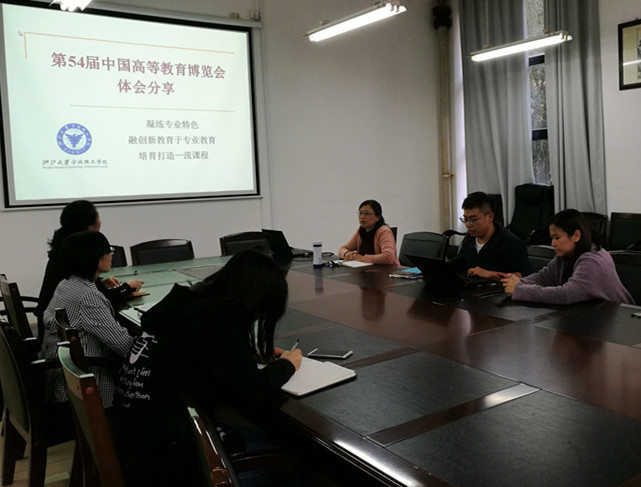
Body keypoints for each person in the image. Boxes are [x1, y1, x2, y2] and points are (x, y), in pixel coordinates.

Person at [115, 250, 303, 487]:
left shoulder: (189, 303)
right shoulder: (218, 319)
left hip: (136, 437)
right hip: (172, 456)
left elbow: (196, 350)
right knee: (299, 464)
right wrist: (288, 365)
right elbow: (253, 388)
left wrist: (246, 354)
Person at [40, 230, 135, 409]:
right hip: (87, 388)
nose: (111, 254)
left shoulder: (66, 284)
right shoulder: (88, 297)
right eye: (108, 250)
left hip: (62, 381)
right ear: (95, 258)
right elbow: (124, 346)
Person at [35, 200, 143, 343]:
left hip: (55, 334)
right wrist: (127, 288)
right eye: (108, 251)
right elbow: (99, 298)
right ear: (90, 226)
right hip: (71, 338)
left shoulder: (65, 250)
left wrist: (100, 282)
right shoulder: (75, 261)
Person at [503, 209, 634, 305]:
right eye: (552, 238)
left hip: (619, 319)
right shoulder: (565, 255)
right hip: (590, 315)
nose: (553, 243)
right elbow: (544, 277)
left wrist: (521, 290)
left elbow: (567, 294)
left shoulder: (593, 260)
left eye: (557, 238)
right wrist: (518, 282)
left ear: (576, 236)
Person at [448, 192, 531, 279]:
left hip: (497, 287)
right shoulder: (469, 239)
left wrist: (492, 274)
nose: (468, 225)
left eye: (473, 219)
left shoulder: (511, 243)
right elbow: (458, 264)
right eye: (465, 219)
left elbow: (525, 277)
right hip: (473, 286)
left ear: (490, 217)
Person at [338, 199, 399, 265]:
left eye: (367, 214)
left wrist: (362, 258)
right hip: (366, 269)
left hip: (386, 270)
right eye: (360, 213)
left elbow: (389, 257)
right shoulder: (361, 230)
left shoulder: (384, 231)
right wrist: (347, 254)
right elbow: (342, 249)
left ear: (378, 217)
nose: (362, 217)